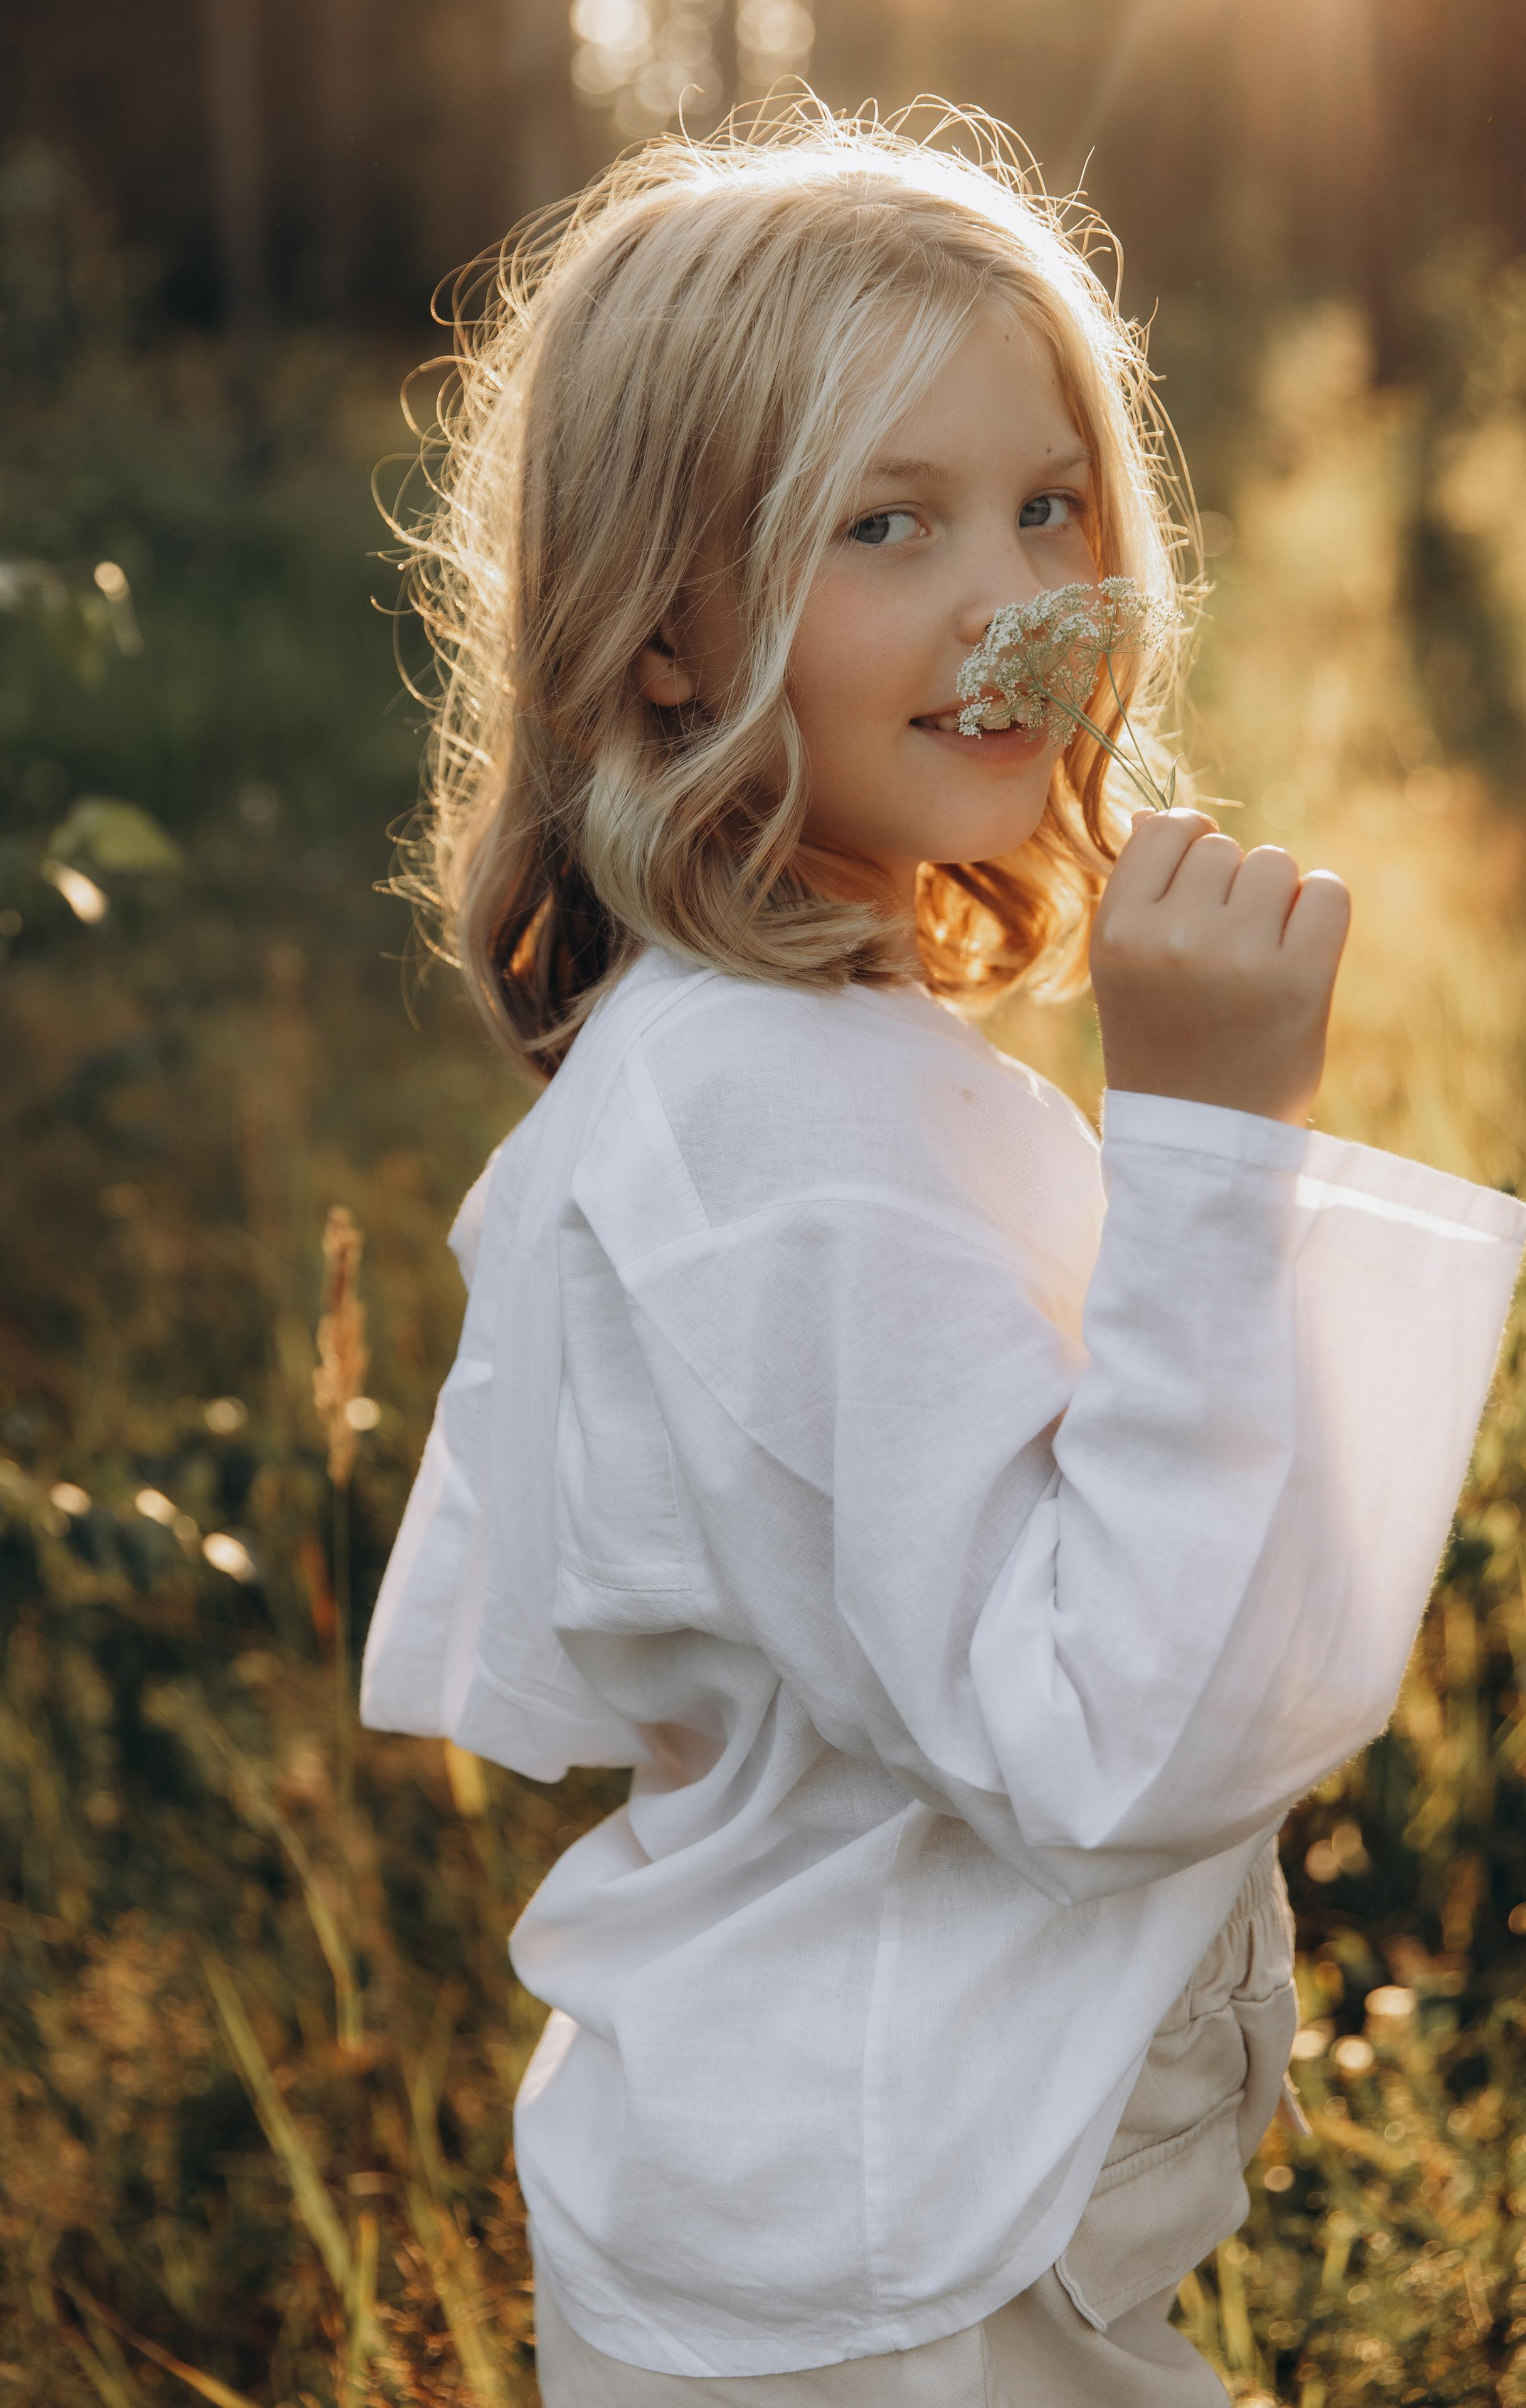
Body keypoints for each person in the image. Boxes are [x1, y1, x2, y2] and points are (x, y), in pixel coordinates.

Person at [361, 97, 1526, 2404]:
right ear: (664, 637)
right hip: (887, 2296)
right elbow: (1101, 1737)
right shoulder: (781, 1142)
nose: (1020, 601)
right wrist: (1205, 1139)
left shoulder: (781, 1050)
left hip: (872, 2212)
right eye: (883, 522)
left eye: (1050, 501)